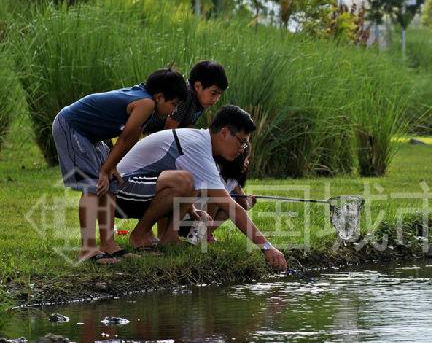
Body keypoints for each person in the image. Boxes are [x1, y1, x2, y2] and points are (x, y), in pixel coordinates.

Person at [115, 105, 287, 272]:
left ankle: (169, 238)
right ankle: (140, 234)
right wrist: (266, 247)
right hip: (120, 192)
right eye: (241, 142)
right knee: (185, 180)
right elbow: (231, 207)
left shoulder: (200, 143)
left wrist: (191, 209)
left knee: (187, 182)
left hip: (136, 190)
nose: (242, 150)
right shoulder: (198, 147)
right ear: (224, 133)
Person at [52, 68, 188, 263]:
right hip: (72, 126)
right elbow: (125, 138)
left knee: (112, 185)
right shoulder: (146, 103)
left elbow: (131, 136)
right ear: (159, 97)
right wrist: (105, 170)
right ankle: (87, 249)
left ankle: (108, 243)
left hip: (92, 135)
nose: (173, 111)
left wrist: (112, 167)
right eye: (173, 104)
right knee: (93, 186)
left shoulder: (148, 103)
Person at [142, 60, 228, 134]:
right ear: (198, 86)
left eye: (219, 95)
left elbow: (188, 126)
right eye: (214, 93)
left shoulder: (200, 100)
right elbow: (169, 128)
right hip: (151, 131)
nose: (216, 99)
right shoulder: (185, 97)